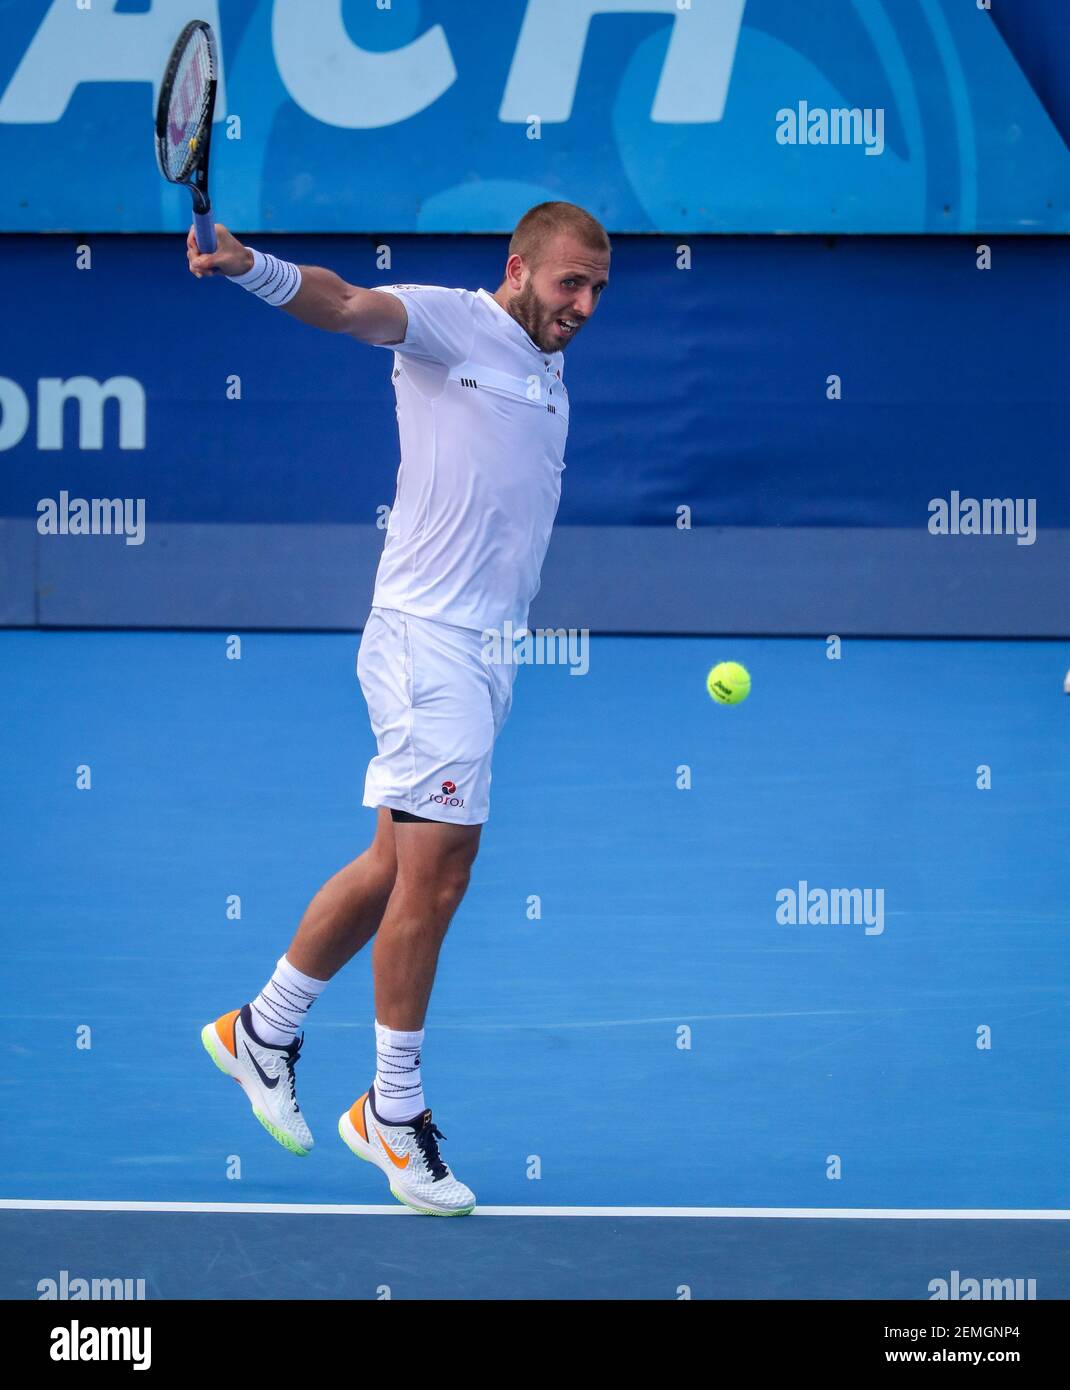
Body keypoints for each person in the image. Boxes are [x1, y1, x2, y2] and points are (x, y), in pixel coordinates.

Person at [193, 202, 611, 1215]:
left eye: (596, 290)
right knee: (441, 872)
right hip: (429, 644)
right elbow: (342, 305)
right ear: (517, 268)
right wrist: (251, 267)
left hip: (480, 650)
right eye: (568, 284)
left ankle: (262, 1027)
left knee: (394, 864)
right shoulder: (447, 323)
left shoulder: (547, 368)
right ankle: (390, 1108)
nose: (584, 306)